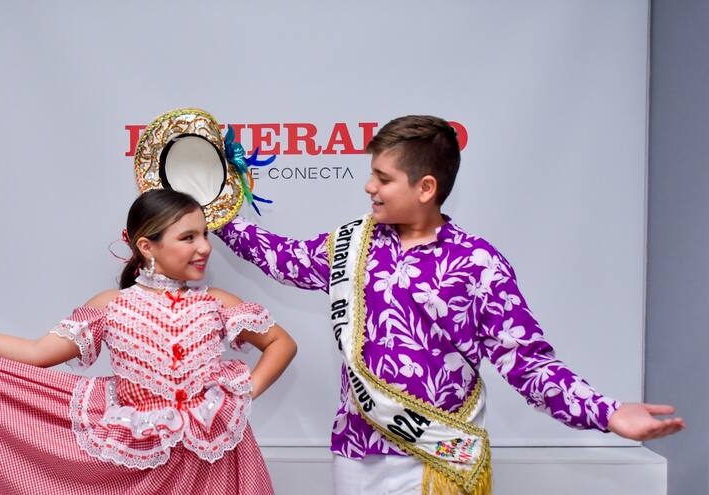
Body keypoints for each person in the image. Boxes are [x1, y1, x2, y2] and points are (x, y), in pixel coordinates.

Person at [214, 115, 685, 495]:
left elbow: (529, 364)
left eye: (383, 177)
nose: (368, 187)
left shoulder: (478, 265)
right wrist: (217, 214)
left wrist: (606, 412)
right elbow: (287, 260)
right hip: (358, 452)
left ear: (425, 187)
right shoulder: (354, 245)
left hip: (437, 458)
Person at [0, 189, 296, 495]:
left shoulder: (219, 302)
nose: (203, 248)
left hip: (214, 457)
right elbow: (37, 354)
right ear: (147, 246)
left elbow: (281, 344)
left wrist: (237, 395)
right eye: (188, 237)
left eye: (205, 236)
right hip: (142, 462)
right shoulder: (112, 305)